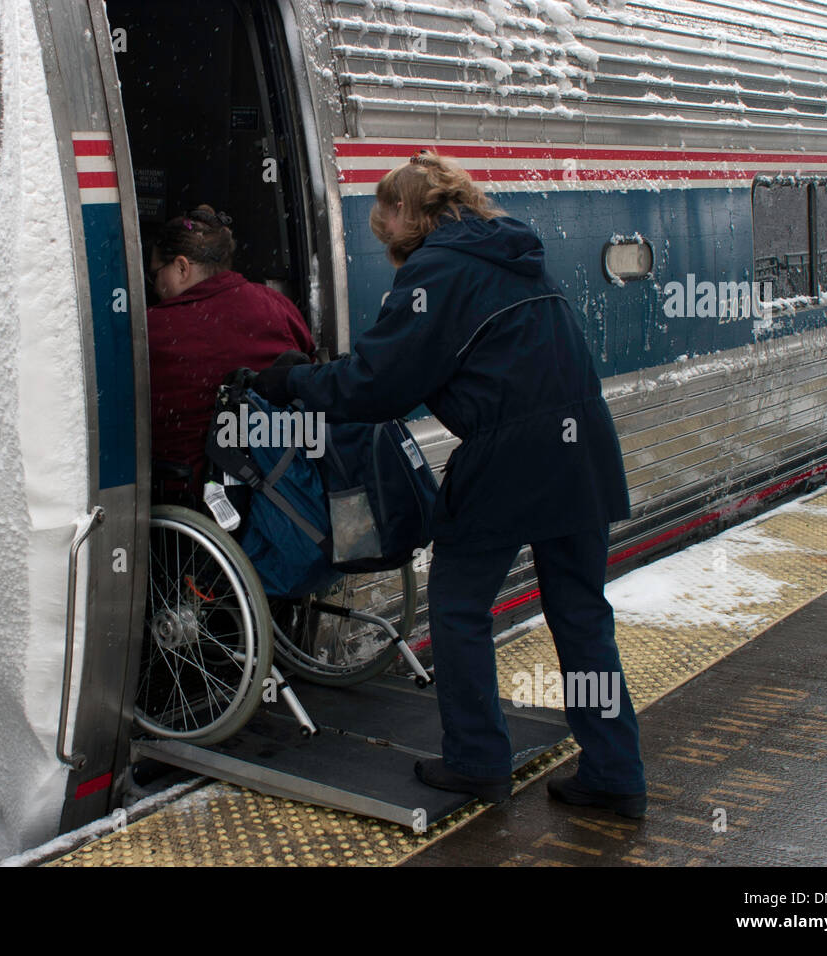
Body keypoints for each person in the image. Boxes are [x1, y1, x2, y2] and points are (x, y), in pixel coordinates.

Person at [253, 151, 648, 818]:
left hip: (511, 454)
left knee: (460, 608)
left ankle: (476, 761)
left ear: (406, 212)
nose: (386, 243)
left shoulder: (438, 268)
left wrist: (292, 379)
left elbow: (376, 387)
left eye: (385, 226)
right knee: (582, 618)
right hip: (584, 448)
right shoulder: (514, 254)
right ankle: (615, 774)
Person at [146, 205, 315, 501]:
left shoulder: (151, 330)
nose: (156, 287)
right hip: (281, 488)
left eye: (156, 274)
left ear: (182, 267)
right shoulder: (277, 306)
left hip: (193, 504)